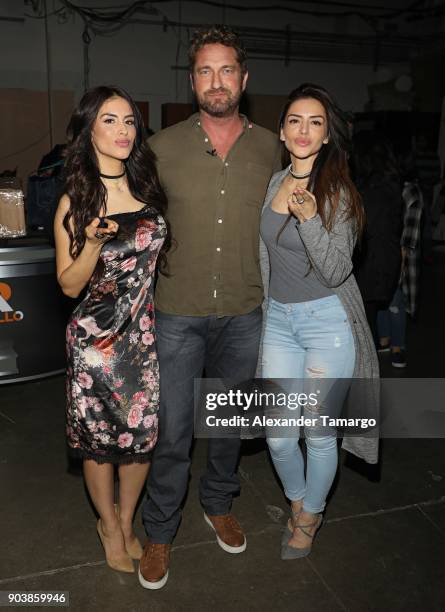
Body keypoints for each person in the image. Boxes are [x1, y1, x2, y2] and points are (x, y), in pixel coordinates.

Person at [138, 26, 281, 590]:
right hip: (177, 311)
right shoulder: (161, 147)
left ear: (243, 81)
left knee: (227, 425)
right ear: (192, 80)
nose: (216, 81)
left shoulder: (273, 146)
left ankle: (218, 501)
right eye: (205, 70)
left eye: (226, 70)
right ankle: (159, 530)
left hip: (245, 312)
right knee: (173, 429)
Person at [258, 84, 379, 560]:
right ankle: (297, 499)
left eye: (315, 122)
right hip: (279, 322)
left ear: (327, 135)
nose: (304, 130)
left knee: (319, 431)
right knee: (280, 434)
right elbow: (265, 255)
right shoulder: (273, 183)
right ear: (282, 132)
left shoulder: (340, 193)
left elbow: (336, 270)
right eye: (294, 121)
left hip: (326, 324)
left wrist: (310, 220)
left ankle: (309, 516)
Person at [54, 85, 169, 574]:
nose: (123, 130)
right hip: (95, 343)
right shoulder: (75, 202)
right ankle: (108, 525)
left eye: (129, 121)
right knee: (99, 443)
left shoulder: (147, 187)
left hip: (141, 338)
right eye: (109, 120)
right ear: (89, 130)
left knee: (140, 436)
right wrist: (95, 244)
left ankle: (127, 519)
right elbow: (68, 284)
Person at [352, 131, 402, 346]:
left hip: (369, 266)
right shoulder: (394, 188)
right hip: (385, 263)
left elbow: (358, 233)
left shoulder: (366, 191)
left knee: (362, 328)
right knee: (368, 321)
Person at [377, 158, 424, 368]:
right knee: (381, 299)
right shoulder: (388, 187)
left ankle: (398, 346)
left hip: (399, 254)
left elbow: (409, 237)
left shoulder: (411, 193)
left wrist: (400, 263)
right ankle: (385, 340)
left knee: (395, 302)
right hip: (385, 252)